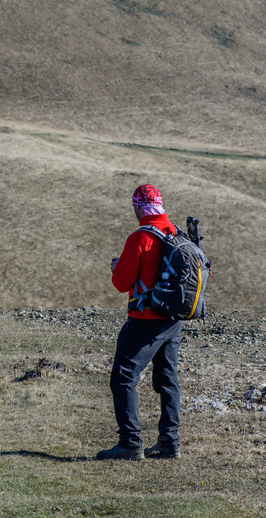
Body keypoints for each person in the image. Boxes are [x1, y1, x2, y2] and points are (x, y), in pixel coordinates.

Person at [96, 184, 182, 461]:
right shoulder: (175, 232)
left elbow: (122, 283)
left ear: (138, 207)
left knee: (123, 379)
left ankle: (131, 443)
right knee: (167, 379)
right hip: (173, 319)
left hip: (145, 320)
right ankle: (170, 442)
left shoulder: (140, 238)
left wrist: (117, 267)